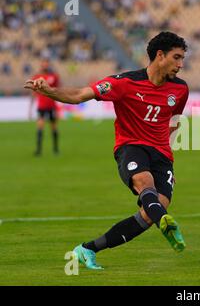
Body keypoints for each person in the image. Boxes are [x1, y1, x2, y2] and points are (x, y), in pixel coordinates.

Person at [24, 31, 189, 270]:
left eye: (182, 58)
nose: (180, 64)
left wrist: (168, 147)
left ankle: (87, 249)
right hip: (131, 147)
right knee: (145, 182)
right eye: (176, 57)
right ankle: (163, 221)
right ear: (160, 55)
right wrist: (48, 90)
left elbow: (175, 118)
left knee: (152, 210)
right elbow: (80, 94)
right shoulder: (124, 83)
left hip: (162, 154)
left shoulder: (181, 89)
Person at [29, 59, 60, 156]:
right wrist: (30, 107)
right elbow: (34, 92)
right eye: (43, 64)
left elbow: (58, 91)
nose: (45, 65)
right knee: (40, 127)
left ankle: (55, 150)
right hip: (41, 106)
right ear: (41, 65)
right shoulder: (37, 77)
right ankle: (38, 150)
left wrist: (59, 107)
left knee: (54, 128)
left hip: (52, 106)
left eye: (46, 64)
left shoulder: (54, 76)